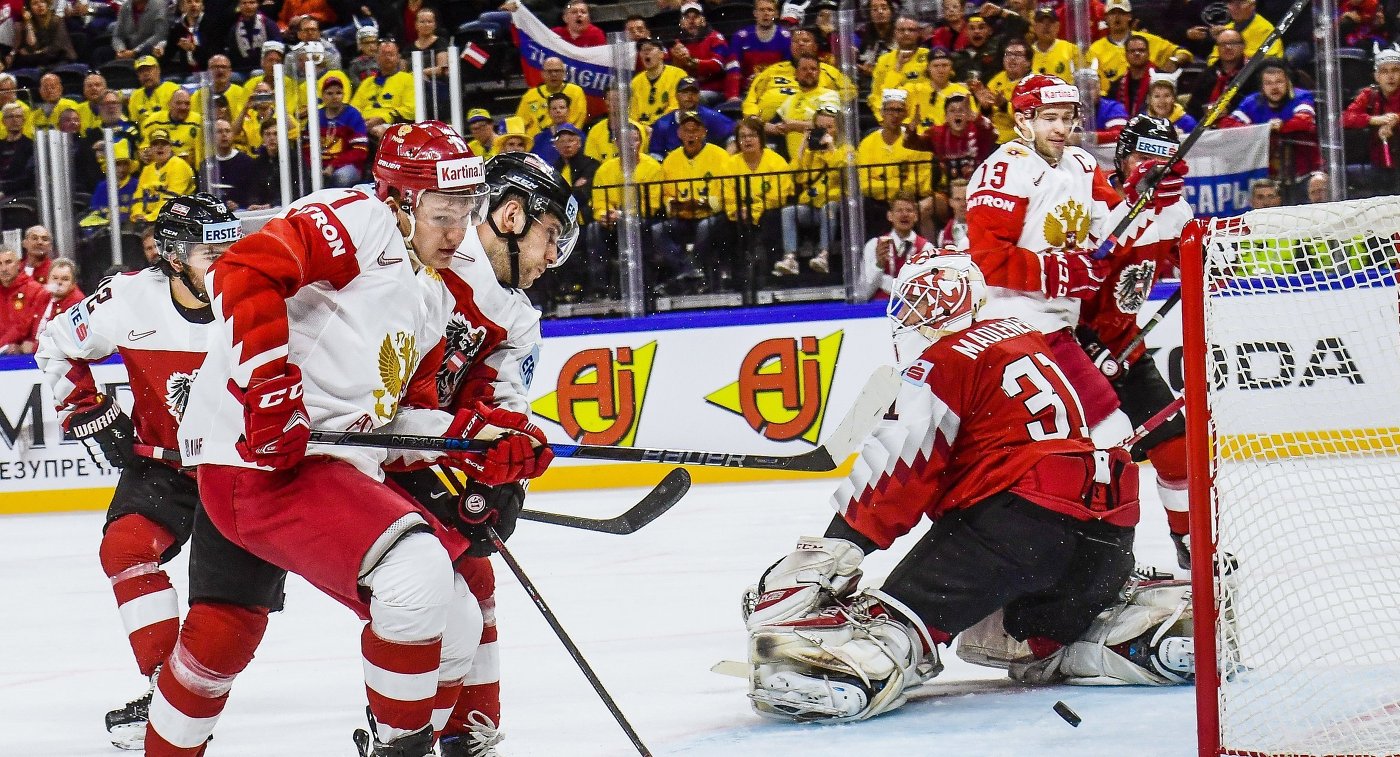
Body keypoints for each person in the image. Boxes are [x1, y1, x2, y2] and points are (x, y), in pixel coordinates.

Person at [154, 122, 550, 757]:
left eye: (466, 214)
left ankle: (399, 743)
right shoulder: (359, 219)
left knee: (458, 622)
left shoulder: (428, 298)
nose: (457, 233)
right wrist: (270, 389)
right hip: (252, 462)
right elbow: (244, 269)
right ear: (399, 200)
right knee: (411, 572)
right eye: (443, 214)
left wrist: (481, 442)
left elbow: (393, 423)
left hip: (324, 466)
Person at [742, 253, 1190, 723]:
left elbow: (900, 469)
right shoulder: (1027, 338)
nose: (913, 315)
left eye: (916, 305)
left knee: (893, 626)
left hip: (1018, 526)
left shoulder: (942, 360)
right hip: (1108, 530)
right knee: (1043, 638)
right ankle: (1130, 633)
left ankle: (851, 668)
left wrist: (837, 548)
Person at [33, 196, 241, 750]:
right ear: (173, 257)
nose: (223, 263)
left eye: (229, 248)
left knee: (351, 562)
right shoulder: (127, 299)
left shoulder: (259, 296)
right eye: (208, 252)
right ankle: (164, 687)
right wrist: (83, 406)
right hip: (166, 466)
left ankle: (406, 668)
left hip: (244, 468)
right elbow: (55, 344)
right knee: (125, 548)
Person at [390, 150, 579, 755]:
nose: (555, 256)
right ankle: (405, 734)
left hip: (420, 449)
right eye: (551, 236)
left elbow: (504, 403)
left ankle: (467, 733)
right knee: (442, 605)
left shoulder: (519, 315)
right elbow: (389, 395)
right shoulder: (429, 266)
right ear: (512, 215)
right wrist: (467, 443)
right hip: (370, 448)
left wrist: (506, 470)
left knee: (477, 575)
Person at [965, 74, 1132, 446]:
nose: (1061, 128)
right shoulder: (1004, 170)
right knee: (1109, 428)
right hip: (1012, 324)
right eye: (1049, 118)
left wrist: (1145, 203)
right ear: (1024, 120)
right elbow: (989, 260)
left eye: (1067, 117)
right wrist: (1068, 271)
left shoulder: (1083, 165)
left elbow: (1113, 231)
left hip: (1060, 321)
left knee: (1066, 440)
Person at [1077, 114, 1196, 568]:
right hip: (1070, 344)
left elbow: (1189, 265)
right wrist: (1139, 204)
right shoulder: (1093, 199)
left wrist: (1204, 257)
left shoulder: (1172, 207)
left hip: (1126, 346)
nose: (1153, 166)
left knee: (1176, 446)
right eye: (1145, 156)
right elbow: (1091, 265)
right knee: (1076, 460)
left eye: (1164, 159)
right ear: (1123, 157)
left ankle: (1188, 544)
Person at [652, 110, 727, 293]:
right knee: (657, 230)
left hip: (712, 216)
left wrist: (704, 203)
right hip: (683, 217)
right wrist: (677, 205)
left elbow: (725, 193)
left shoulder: (720, 156)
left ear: (704, 132)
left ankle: (692, 271)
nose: (691, 135)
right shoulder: (670, 160)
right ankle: (690, 270)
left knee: (704, 228)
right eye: (686, 130)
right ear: (679, 134)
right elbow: (667, 196)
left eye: (695, 130)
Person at [588, 122, 663, 298]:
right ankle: (600, 287)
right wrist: (604, 215)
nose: (630, 145)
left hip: (642, 219)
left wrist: (623, 215)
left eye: (635, 140)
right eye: (625, 141)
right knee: (593, 230)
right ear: (616, 143)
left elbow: (652, 204)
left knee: (642, 226)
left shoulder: (653, 168)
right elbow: (599, 201)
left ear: (641, 143)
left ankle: (645, 286)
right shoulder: (605, 169)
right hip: (613, 223)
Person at [717, 116, 790, 291]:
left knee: (772, 219)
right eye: (743, 136)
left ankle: (769, 277)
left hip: (766, 211)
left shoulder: (776, 162)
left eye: (752, 135)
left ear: (761, 139)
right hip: (739, 214)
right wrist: (738, 211)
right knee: (721, 225)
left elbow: (777, 196)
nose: (747, 140)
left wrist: (753, 211)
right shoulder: (729, 164)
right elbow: (726, 195)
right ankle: (731, 278)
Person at [1218, 60, 1319, 183]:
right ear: (1262, 86)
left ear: (1288, 83)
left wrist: (1282, 126)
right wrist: (1263, 129)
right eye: (1268, 83)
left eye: (1279, 82)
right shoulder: (1251, 102)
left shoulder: (1302, 97)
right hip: (1263, 176)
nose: (1274, 87)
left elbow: (1305, 121)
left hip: (1304, 173)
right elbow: (1227, 125)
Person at [778, 105, 849, 276]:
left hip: (836, 207)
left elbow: (844, 174)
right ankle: (790, 258)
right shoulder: (810, 154)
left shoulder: (846, 150)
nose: (824, 132)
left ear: (838, 129)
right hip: (811, 207)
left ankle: (823, 256)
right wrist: (804, 141)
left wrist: (831, 149)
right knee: (789, 211)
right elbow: (795, 175)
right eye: (820, 128)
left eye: (829, 127)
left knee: (829, 208)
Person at [857, 89, 936, 238]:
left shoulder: (915, 141)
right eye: (890, 110)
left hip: (910, 202)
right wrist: (898, 184)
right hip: (877, 204)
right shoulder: (867, 143)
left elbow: (922, 184)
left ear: (905, 113)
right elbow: (864, 184)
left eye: (899, 110)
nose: (895, 114)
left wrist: (885, 184)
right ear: (882, 112)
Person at [1342, 44, 1400, 195]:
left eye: (1395, 70)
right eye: (1384, 71)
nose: (1390, 76)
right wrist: (1375, 120)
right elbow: (1345, 118)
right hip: (1377, 165)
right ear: (1376, 76)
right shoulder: (1369, 95)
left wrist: (1396, 120)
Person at [855, 191, 935, 301]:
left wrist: (883, 282)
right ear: (890, 216)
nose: (904, 214)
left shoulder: (927, 249)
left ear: (915, 216)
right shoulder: (873, 245)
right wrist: (878, 265)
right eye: (899, 210)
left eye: (909, 210)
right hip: (877, 314)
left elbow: (927, 291)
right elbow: (862, 294)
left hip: (913, 314)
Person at [672, 2, 741, 107]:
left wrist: (691, 62)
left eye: (695, 17)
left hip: (715, 90)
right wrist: (677, 61)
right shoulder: (677, 44)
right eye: (687, 17)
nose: (691, 21)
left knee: (696, 98)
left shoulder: (716, 38)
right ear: (681, 22)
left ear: (703, 20)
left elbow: (717, 65)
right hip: (690, 90)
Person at [649, 76, 734, 159]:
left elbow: (734, 133)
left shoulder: (711, 117)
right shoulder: (663, 124)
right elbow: (656, 155)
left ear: (699, 95)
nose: (690, 96)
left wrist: (726, 158)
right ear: (677, 96)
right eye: (685, 92)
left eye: (694, 92)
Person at [310, 76, 370, 188]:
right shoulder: (316, 116)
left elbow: (360, 150)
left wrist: (334, 165)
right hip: (320, 165)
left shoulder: (353, 115)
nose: (334, 97)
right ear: (322, 96)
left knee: (341, 177)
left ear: (343, 95)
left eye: (338, 93)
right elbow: (306, 147)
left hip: (347, 166)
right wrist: (314, 167)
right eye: (329, 93)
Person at [351, 38, 417, 139]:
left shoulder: (408, 79)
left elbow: (410, 110)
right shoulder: (367, 82)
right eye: (383, 54)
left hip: (392, 124)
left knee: (380, 131)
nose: (387, 58)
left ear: (398, 58)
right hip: (364, 122)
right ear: (376, 58)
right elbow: (354, 108)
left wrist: (382, 118)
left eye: (391, 54)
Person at [130, 128, 196, 224]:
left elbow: (171, 201)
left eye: (164, 144)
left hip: (179, 219)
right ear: (150, 149)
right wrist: (137, 214)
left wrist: (149, 218)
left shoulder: (179, 166)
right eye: (155, 144)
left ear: (170, 147)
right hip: (149, 220)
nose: (160, 147)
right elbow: (138, 197)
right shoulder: (147, 169)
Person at [867, 16, 928, 114]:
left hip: (922, 115)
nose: (906, 33)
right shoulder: (883, 60)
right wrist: (883, 118)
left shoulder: (928, 57)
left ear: (918, 33)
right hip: (891, 118)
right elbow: (877, 96)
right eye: (901, 30)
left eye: (911, 30)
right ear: (894, 33)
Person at [517, 56, 588, 135]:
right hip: (536, 143)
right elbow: (520, 124)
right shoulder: (530, 95)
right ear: (542, 74)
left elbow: (579, 122)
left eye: (557, 71)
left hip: (566, 139)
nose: (553, 74)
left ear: (564, 73)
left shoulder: (576, 92)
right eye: (549, 71)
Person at [0, 245, 47, 354]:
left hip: (25, 358)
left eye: (8, 262)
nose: (3, 269)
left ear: (18, 264)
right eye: (0, 264)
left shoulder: (35, 290)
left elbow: (24, 327)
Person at [732, 0, 792, 85]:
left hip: (775, 89)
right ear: (755, 13)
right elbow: (733, 68)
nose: (766, 13)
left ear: (776, 14)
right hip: (746, 89)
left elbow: (788, 69)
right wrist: (734, 95)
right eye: (762, 10)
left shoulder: (786, 37)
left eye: (770, 10)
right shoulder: (740, 36)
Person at [631, 39, 689, 126]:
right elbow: (632, 114)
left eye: (649, 49)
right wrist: (641, 129)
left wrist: (656, 127)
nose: (646, 53)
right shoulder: (635, 82)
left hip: (668, 126)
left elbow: (676, 108)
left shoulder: (678, 74)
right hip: (642, 132)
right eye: (642, 50)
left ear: (661, 54)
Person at [31, 256, 82, 336]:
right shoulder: (43, 295)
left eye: (65, 279)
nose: (59, 282)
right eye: (55, 278)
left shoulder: (77, 303)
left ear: (73, 284)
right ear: (48, 279)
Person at [226, 0, 280, 73]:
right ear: (239, 6)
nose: (248, 6)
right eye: (244, 3)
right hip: (241, 71)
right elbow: (232, 55)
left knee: (255, 73)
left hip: (265, 70)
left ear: (258, 5)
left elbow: (278, 49)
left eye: (252, 2)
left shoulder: (269, 25)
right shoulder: (234, 29)